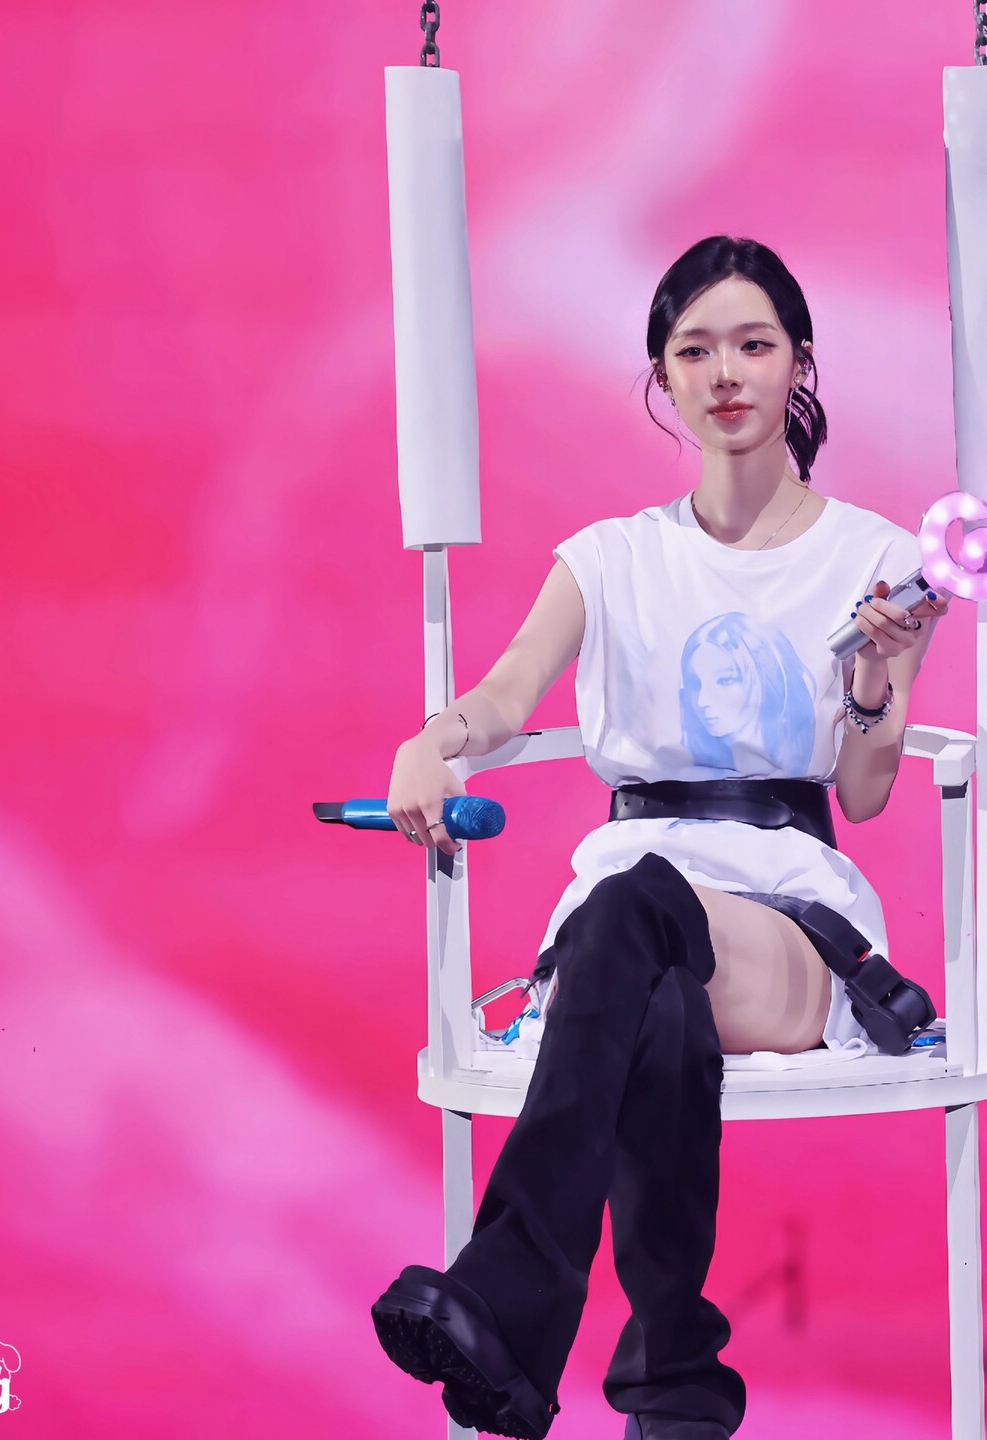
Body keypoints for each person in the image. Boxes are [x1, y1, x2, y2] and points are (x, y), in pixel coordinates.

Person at [371, 235, 949, 1440]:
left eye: (753, 344)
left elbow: (866, 793)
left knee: (629, 913)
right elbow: (507, 692)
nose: (725, 373)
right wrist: (435, 738)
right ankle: (674, 1384)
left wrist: (876, 679)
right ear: (662, 377)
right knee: (651, 991)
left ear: (800, 362)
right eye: (695, 351)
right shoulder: (611, 558)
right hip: (629, 929)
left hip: (790, 919)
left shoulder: (880, 560)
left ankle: (510, 1295)